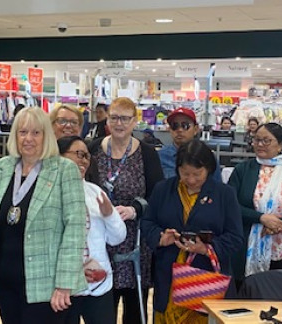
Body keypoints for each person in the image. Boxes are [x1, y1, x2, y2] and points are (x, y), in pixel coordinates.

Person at [0, 107, 87, 324]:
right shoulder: (2, 168)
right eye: (22, 132)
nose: (28, 139)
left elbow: (75, 228)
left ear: (47, 136)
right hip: (5, 279)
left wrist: (64, 283)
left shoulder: (64, 170)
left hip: (46, 285)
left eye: (36, 133)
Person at [141, 139, 243, 324]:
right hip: (169, 277)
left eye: (197, 174)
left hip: (206, 280)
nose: (191, 180)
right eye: (185, 173)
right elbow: (147, 223)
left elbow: (235, 237)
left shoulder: (224, 194)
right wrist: (160, 238)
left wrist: (206, 248)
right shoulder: (163, 190)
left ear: (209, 169)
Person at [87, 97, 164, 324]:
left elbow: (157, 195)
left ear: (134, 121)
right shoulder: (93, 149)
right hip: (99, 241)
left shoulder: (148, 154)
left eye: (124, 118)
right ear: (107, 120)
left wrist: (134, 209)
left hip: (135, 242)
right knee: (102, 309)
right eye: (114, 118)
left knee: (134, 309)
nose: (119, 123)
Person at [227, 123, 282, 286]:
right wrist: (261, 218)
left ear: (280, 144)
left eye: (266, 140)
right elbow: (230, 207)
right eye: (256, 140)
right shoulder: (243, 170)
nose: (259, 144)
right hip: (247, 246)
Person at [57, 136, 126, 324]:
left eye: (86, 156)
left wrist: (109, 215)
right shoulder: (47, 193)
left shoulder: (95, 192)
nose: (83, 160)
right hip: (63, 285)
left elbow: (118, 237)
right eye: (78, 154)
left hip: (98, 284)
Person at [159, 107, 222, 182]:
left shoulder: (208, 157)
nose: (179, 130)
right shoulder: (159, 157)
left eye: (185, 125)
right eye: (174, 126)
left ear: (196, 129)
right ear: (169, 129)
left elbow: (217, 188)